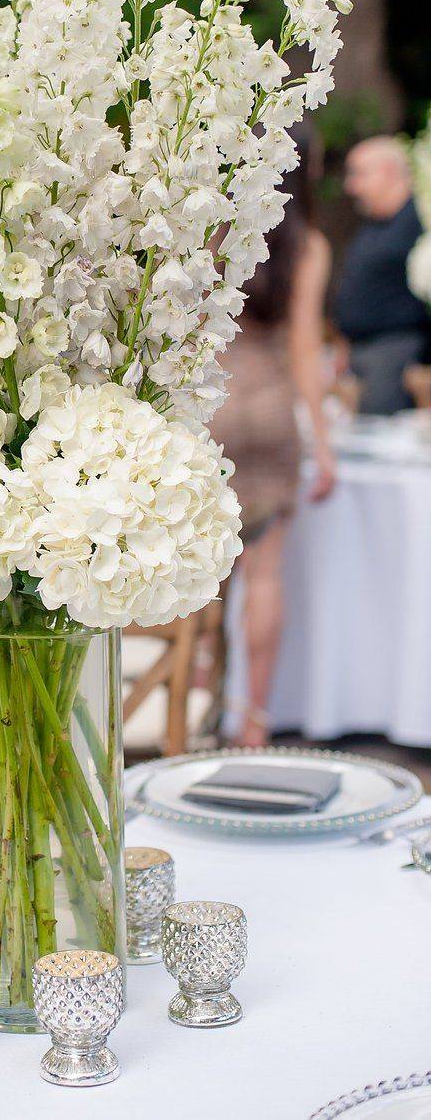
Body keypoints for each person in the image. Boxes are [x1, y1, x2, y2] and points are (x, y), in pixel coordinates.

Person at [210, 134, 334, 748]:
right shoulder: (308, 246)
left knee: (202, 576)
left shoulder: (217, 232)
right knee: (266, 576)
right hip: (274, 417)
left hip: (215, 410)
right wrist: (324, 444)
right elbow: (306, 352)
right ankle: (252, 724)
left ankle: (197, 701)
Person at [334, 136, 430, 415]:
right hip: (360, 351)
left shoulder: (420, 220)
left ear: (388, 171)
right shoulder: (373, 224)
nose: (350, 186)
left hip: (395, 351)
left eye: (359, 174)